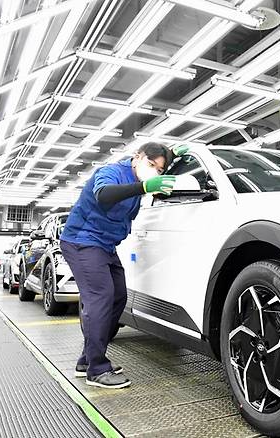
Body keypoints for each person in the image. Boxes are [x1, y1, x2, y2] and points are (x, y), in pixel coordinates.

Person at [60, 143, 187, 389]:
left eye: (159, 170)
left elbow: (157, 170)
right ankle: (96, 370)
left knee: (119, 297)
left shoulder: (142, 177)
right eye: (151, 165)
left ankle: (87, 361)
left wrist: (173, 154)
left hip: (105, 247)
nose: (154, 172)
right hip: (82, 242)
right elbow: (104, 194)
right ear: (137, 157)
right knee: (101, 297)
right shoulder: (111, 173)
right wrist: (144, 187)